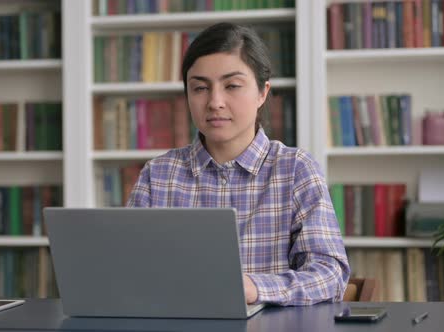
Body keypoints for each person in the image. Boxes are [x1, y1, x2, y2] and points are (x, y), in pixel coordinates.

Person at [126, 22, 350, 306]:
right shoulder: (158, 175)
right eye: (199, 88)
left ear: (262, 92)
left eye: (232, 85)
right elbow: (128, 272)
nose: (215, 102)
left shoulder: (295, 169)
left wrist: (254, 288)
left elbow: (330, 275)